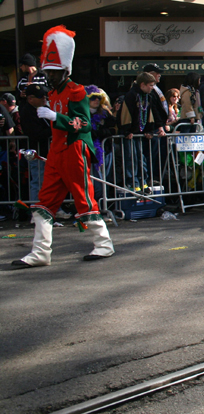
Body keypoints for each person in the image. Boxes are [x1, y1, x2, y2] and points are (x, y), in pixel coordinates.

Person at [11, 26, 114, 268]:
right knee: (44, 202)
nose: (49, 76)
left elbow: (84, 124)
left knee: (83, 197)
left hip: (74, 150)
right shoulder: (54, 93)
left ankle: (104, 244)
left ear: (65, 70)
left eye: (54, 72)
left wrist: (55, 117)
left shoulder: (76, 91)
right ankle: (40, 252)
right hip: (57, 151)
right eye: (47, 71)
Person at [118, 72, 159, 191]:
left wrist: (149, 130)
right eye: (150, 85)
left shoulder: (148, 96)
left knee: (141, 158)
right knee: (131, 158)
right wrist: (126, 130)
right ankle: (132, 182)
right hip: (131, 133)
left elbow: (149, 113)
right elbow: (125, 114)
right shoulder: (131, 95)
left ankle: (142, 180)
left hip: (139, 133)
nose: (152, 88)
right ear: (142, 85)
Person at [20, 85, 51, 202]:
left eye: (44, 96)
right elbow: (35, 133)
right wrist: (54, 129)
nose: (44, 99)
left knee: (50, 182)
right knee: (38, 181)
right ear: (30, 99)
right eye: (40, 97)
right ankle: (36, 207)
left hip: (48, 152)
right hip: (37, 153)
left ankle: (52, 206)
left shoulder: (44, 108)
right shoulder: (27, 112)